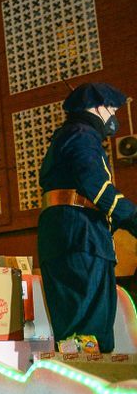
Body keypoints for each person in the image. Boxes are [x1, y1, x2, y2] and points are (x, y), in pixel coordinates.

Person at [38, 82, 135, 353]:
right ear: (96, 107)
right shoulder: (82, 135)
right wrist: (131, 216)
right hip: (81, 236)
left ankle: (79, 374)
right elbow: (96, 186)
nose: (114, 118)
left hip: (66, 234)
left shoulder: (66, 135)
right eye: (112, 110)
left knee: (74, 317)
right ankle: (89, 378)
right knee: (88, 314)